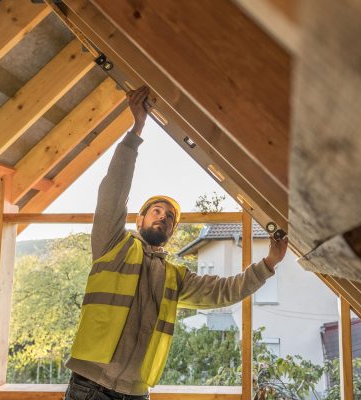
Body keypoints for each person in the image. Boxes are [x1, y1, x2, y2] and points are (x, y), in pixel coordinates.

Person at [64, 86, 288, 400]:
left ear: (171, 231)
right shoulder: (112, 245)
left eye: (170, 217)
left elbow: (223, 291)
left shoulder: (174, 278)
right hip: (89, 385)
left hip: (134, 393)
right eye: (156, 211)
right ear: (138, 220)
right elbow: (112, 194)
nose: (164, 217)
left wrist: (268, 265)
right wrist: (136, 131)